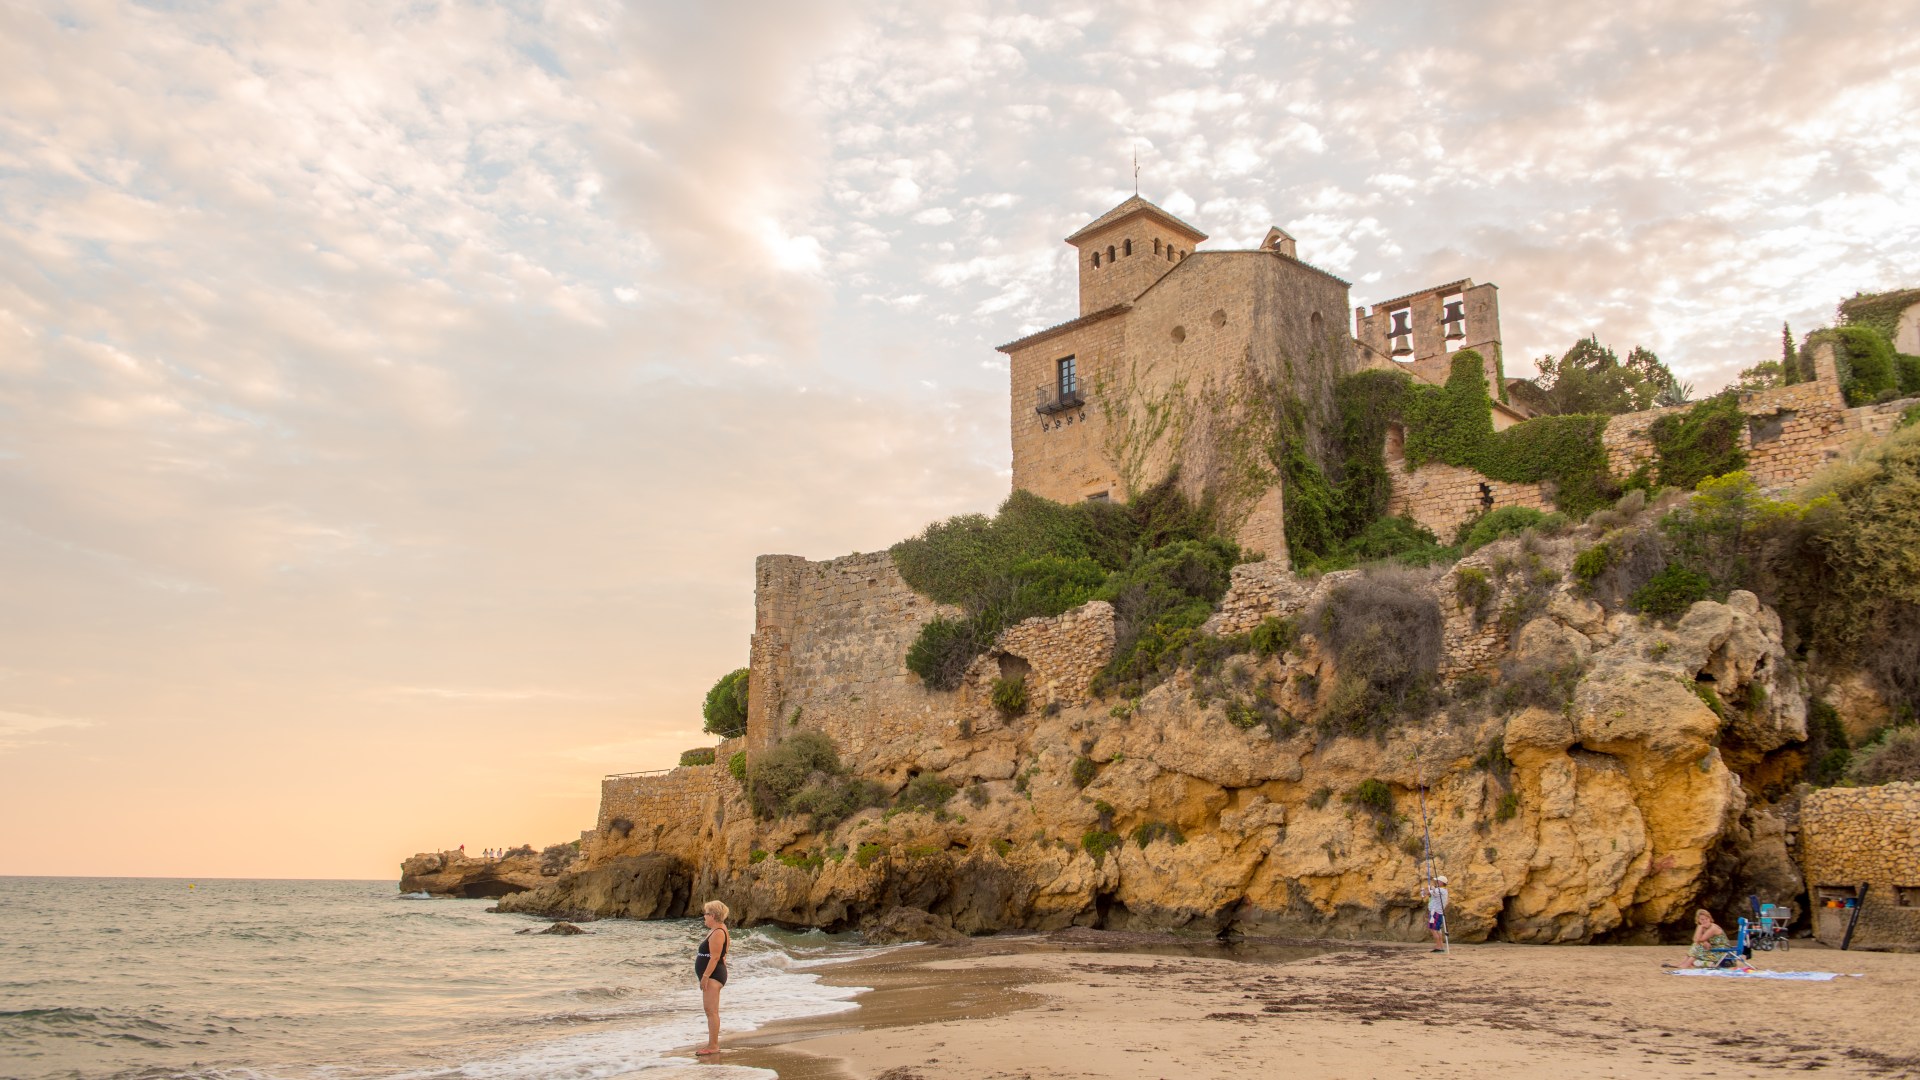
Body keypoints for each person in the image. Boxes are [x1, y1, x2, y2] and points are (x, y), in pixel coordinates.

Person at [694, 900, 731, 1056]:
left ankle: (713, 1046)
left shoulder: (718, 932)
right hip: (715, 974)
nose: (704, 916)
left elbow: (715, 957)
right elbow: (723, 954)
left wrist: (705, 976)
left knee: (711, 1011)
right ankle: (712, 1044)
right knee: (710, 1011)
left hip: (713, 976)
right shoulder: (717, 929)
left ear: (713, 915)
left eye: (706, 914)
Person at [1424, 875, 1449, 952]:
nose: (1436, 882)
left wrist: (1430, 889)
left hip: (1435, 912)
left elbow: (1427, 893)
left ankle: (1438, 947)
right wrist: (1431, 890)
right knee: (1437, 929)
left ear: (1441, 882)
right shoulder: (1443, 890)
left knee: (1433, 929)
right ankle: (1440, 946)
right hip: (1438, 912)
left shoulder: (1440, 890)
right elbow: (1431, 894)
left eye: (1438, 881)